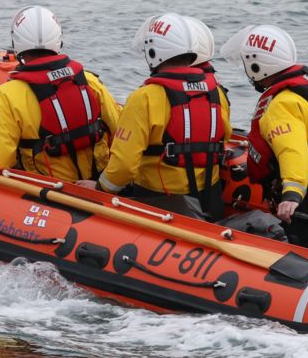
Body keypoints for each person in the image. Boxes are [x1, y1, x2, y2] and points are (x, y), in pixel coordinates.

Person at [76, 13, 231, 221]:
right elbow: (224, 138)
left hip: (161, 203)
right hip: (211, 200)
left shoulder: (145, 98)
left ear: (152, 51)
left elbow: (124, 165)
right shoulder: (217, 92)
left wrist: (100, 186)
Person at [220, 24, 308, 248]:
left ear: (257, 65)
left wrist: (292, 195)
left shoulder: (282, 104)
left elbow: (291, 151)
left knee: (305, 246)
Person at [0, 6, 121, 181]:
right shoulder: (89, 81)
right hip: (97, 185)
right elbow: (120, 130)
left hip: (48, 192)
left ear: (16, 43)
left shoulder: (7, 95)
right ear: (58, 40)